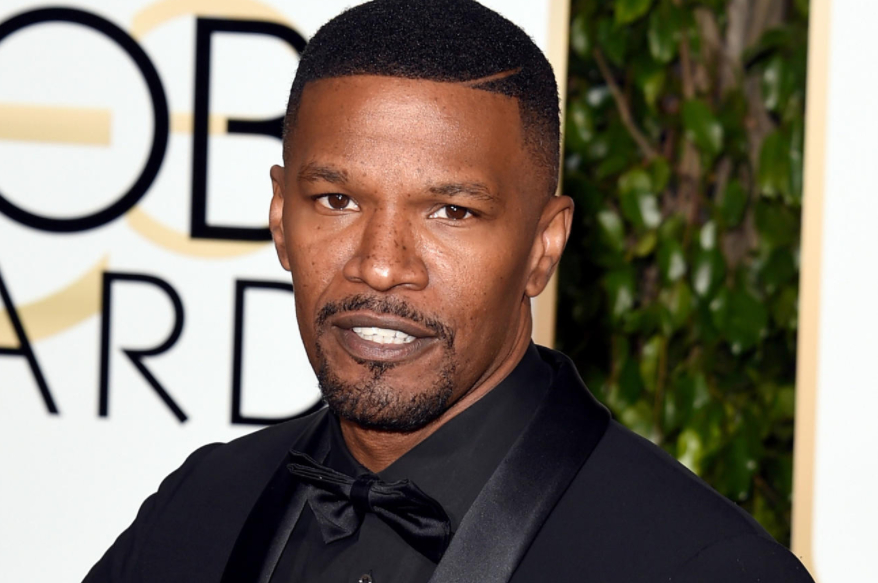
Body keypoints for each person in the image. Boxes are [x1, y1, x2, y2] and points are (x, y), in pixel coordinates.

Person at [84, 1, 814, 581]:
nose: (381, 266)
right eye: (337, 200)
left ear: (543, 247)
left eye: (451, 212)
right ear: (280, 218)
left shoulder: (699, 565)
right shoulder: (197, 513)